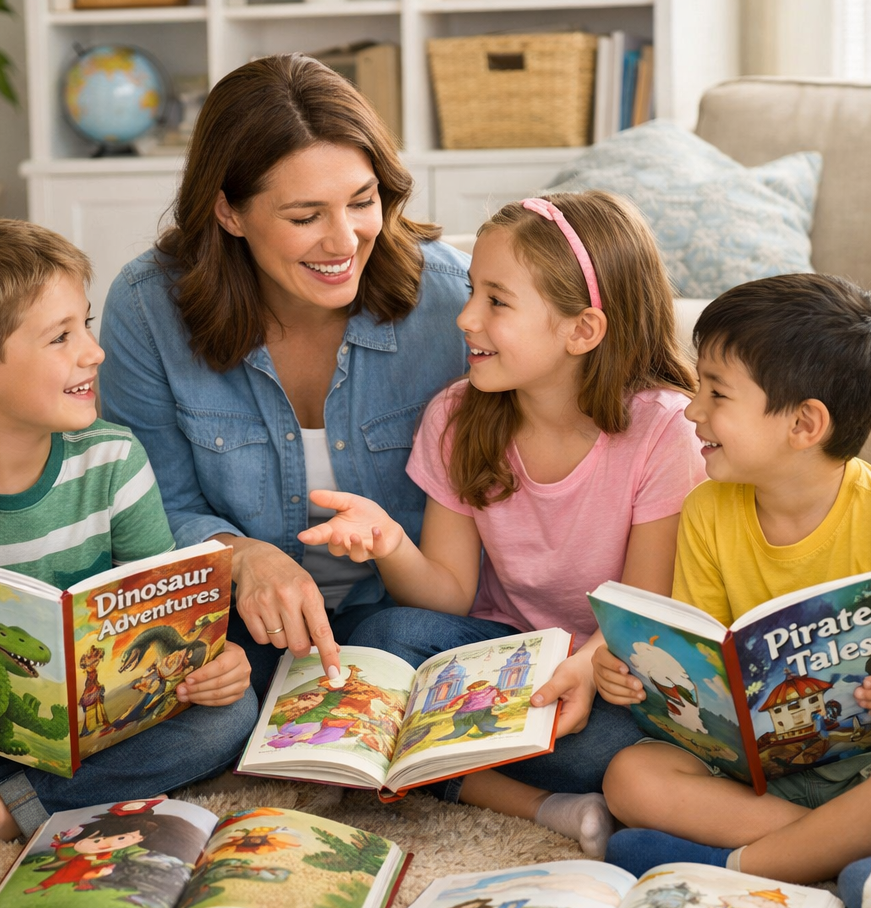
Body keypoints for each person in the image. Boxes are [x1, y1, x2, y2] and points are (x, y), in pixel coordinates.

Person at [300, 192, 706, 855]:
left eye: (496, 301)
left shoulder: (664, 431)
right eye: (471, 293)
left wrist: (582, 670)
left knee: (607, 749)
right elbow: (448, 594)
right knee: (379, 637)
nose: (465, 318)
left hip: (605, 666)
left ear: (582, 331)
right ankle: (543, 804)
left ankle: (483, 781)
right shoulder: (458, 416)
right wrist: (390, 541)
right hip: (500, 654)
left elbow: (642, 615)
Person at [0, 218, 257, 873]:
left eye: (86, 323)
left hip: (100, 721)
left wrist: (209, 666)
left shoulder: (113, 459)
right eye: (61, 336)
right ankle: (43, 797)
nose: (93, 351)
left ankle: (2, 812)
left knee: (230, 714)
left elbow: (160, 614)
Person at [98, 54, 470, 702]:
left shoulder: (453, 301)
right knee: (195, 702)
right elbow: (152, 510)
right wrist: (241, 557)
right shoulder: (147, 308)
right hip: (238, 621)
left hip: (407, 616)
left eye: (362, 201)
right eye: (305, 217)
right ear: (229, 213)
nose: (344, 240)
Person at [593, 274, 871, 908]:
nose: (692, 410)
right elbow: (702, 646)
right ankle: (843, 855)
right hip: (764, 772)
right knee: (630, 778)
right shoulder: (706, 510)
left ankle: (740, 868)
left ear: (804, 423)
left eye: (716, 392)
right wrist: (638, 674)